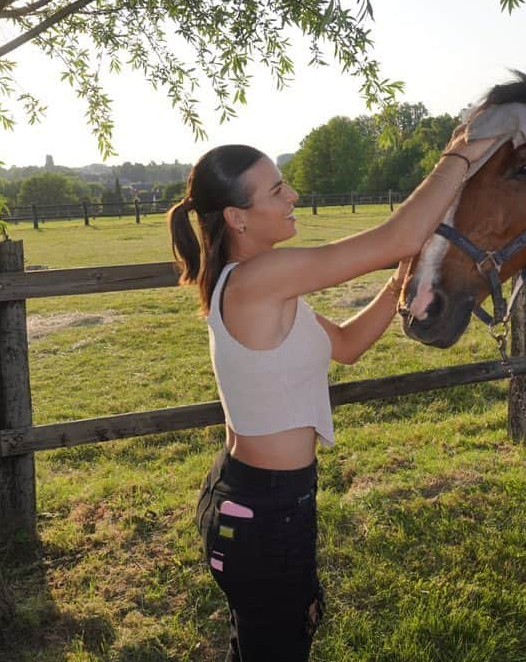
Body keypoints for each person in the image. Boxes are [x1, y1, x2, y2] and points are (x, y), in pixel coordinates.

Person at [167, 127, 496, 662]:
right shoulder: (258, 279)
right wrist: (459, 157)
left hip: (266, 501)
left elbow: (345, 345)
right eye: (276, 191)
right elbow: (397, 236)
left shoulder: (269, 287)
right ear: (237, 217)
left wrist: (397, 287)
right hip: (262, 511)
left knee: (268, 642)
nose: (293, 195)